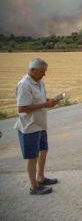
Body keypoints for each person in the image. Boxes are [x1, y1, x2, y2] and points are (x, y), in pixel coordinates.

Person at [14, 58, 59, 195]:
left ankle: (41, 178)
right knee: (32, 157)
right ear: (32, 70)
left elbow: (38, 100)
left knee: (43, 151)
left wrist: (49, 101)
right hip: (29, 126)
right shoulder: (24, 85)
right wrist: (45, 105)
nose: (44, 74)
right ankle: (34, 187)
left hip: (40, 124)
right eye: (42, 72)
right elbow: (21, 108)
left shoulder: (39, 82)